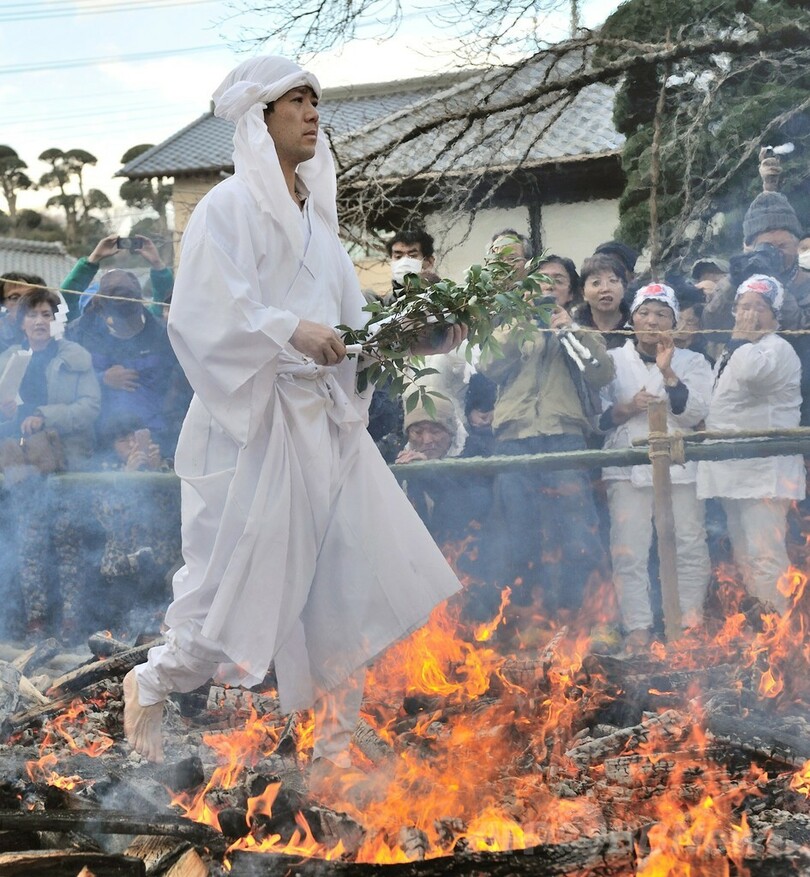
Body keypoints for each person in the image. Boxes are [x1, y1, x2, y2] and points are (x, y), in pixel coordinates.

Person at [123, 57, 465, 781]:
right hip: (257, 420)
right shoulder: (225, 208)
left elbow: (352, 328)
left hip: (327, 421)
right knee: (239, 584)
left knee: (354, 577)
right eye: (297, 101)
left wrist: (406, 333)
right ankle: (152, 680)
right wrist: (290, 329)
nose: (313, 113)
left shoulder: (319, 224)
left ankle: (336, 751)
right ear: (261, 118)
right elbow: (206, 312)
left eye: (317, 102)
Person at [478, 235, 614, 618]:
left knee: (574, 530)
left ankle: (576, 614)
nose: (547, 286)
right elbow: (488, 367)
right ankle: (521, 615)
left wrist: (568, 329)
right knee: (515, 533)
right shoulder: (510, 324)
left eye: (557, 279)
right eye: (540, 279)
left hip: (565, 437)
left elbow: (601, 375)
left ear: (570, 291)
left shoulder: (583, 330)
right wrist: (522, 324)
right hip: (514, 438)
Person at [600, 283, 712, 651]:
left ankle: (688, 625)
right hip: (626, 466)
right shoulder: (612, 360)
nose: (653, 321)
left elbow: (696, 412)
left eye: (662, 314)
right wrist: (629, 407)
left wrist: (668, 376)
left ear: (675, 321)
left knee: (689, 544)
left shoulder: (693, 361)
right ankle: (638, 627)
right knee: (629, 548)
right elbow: (595, 417)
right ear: (632, 319)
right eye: (645, 313)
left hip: (680, 468)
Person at [697, 275, 805, 615]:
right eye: (743, 306)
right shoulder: (737, 348)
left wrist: (741, 341)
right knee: (744, 553)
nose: (749, 314)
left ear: (775, 316)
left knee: (765, 553)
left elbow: (752, 377)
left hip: (764, 472)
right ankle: (762, 624)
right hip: (732, 470)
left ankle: (779, 622)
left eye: (759, 307)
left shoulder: (777, 348)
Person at [0, 288, 101, 636]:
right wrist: (7, 414)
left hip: (67, 468)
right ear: (21, 321)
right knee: (28, 547)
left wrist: (46, 415)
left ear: (57, 320)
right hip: (23, 466)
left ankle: (72, 623)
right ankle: (36, 622)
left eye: (47, 314)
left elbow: (90, 407)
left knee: (69, 546)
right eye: (32, 314)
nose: (40, 321)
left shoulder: (76, 357)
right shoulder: (9, 359)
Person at [67, 269, 187, 456]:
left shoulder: (163, 336)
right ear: (101, 310)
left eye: (129, 315)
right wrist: (101, 378)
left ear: (139, 304)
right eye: (118, 316)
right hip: (102, 438)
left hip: (156, 434)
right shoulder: (81, 333)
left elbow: (179, 390)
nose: (126, 323)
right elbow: (65, 385)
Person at [60, 233, 174, 322]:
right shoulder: (82, 329)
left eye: (123, 303)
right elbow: (66, 298)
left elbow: (164, 302)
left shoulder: (148, 325)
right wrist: (157, 264)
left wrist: (94, 259)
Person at [571, 253, 630, 349]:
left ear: (624, 288)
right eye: (596, 283)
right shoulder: (573, 329)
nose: (605, 289)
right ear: (583, 292)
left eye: (613, 281)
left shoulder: (637, 327)